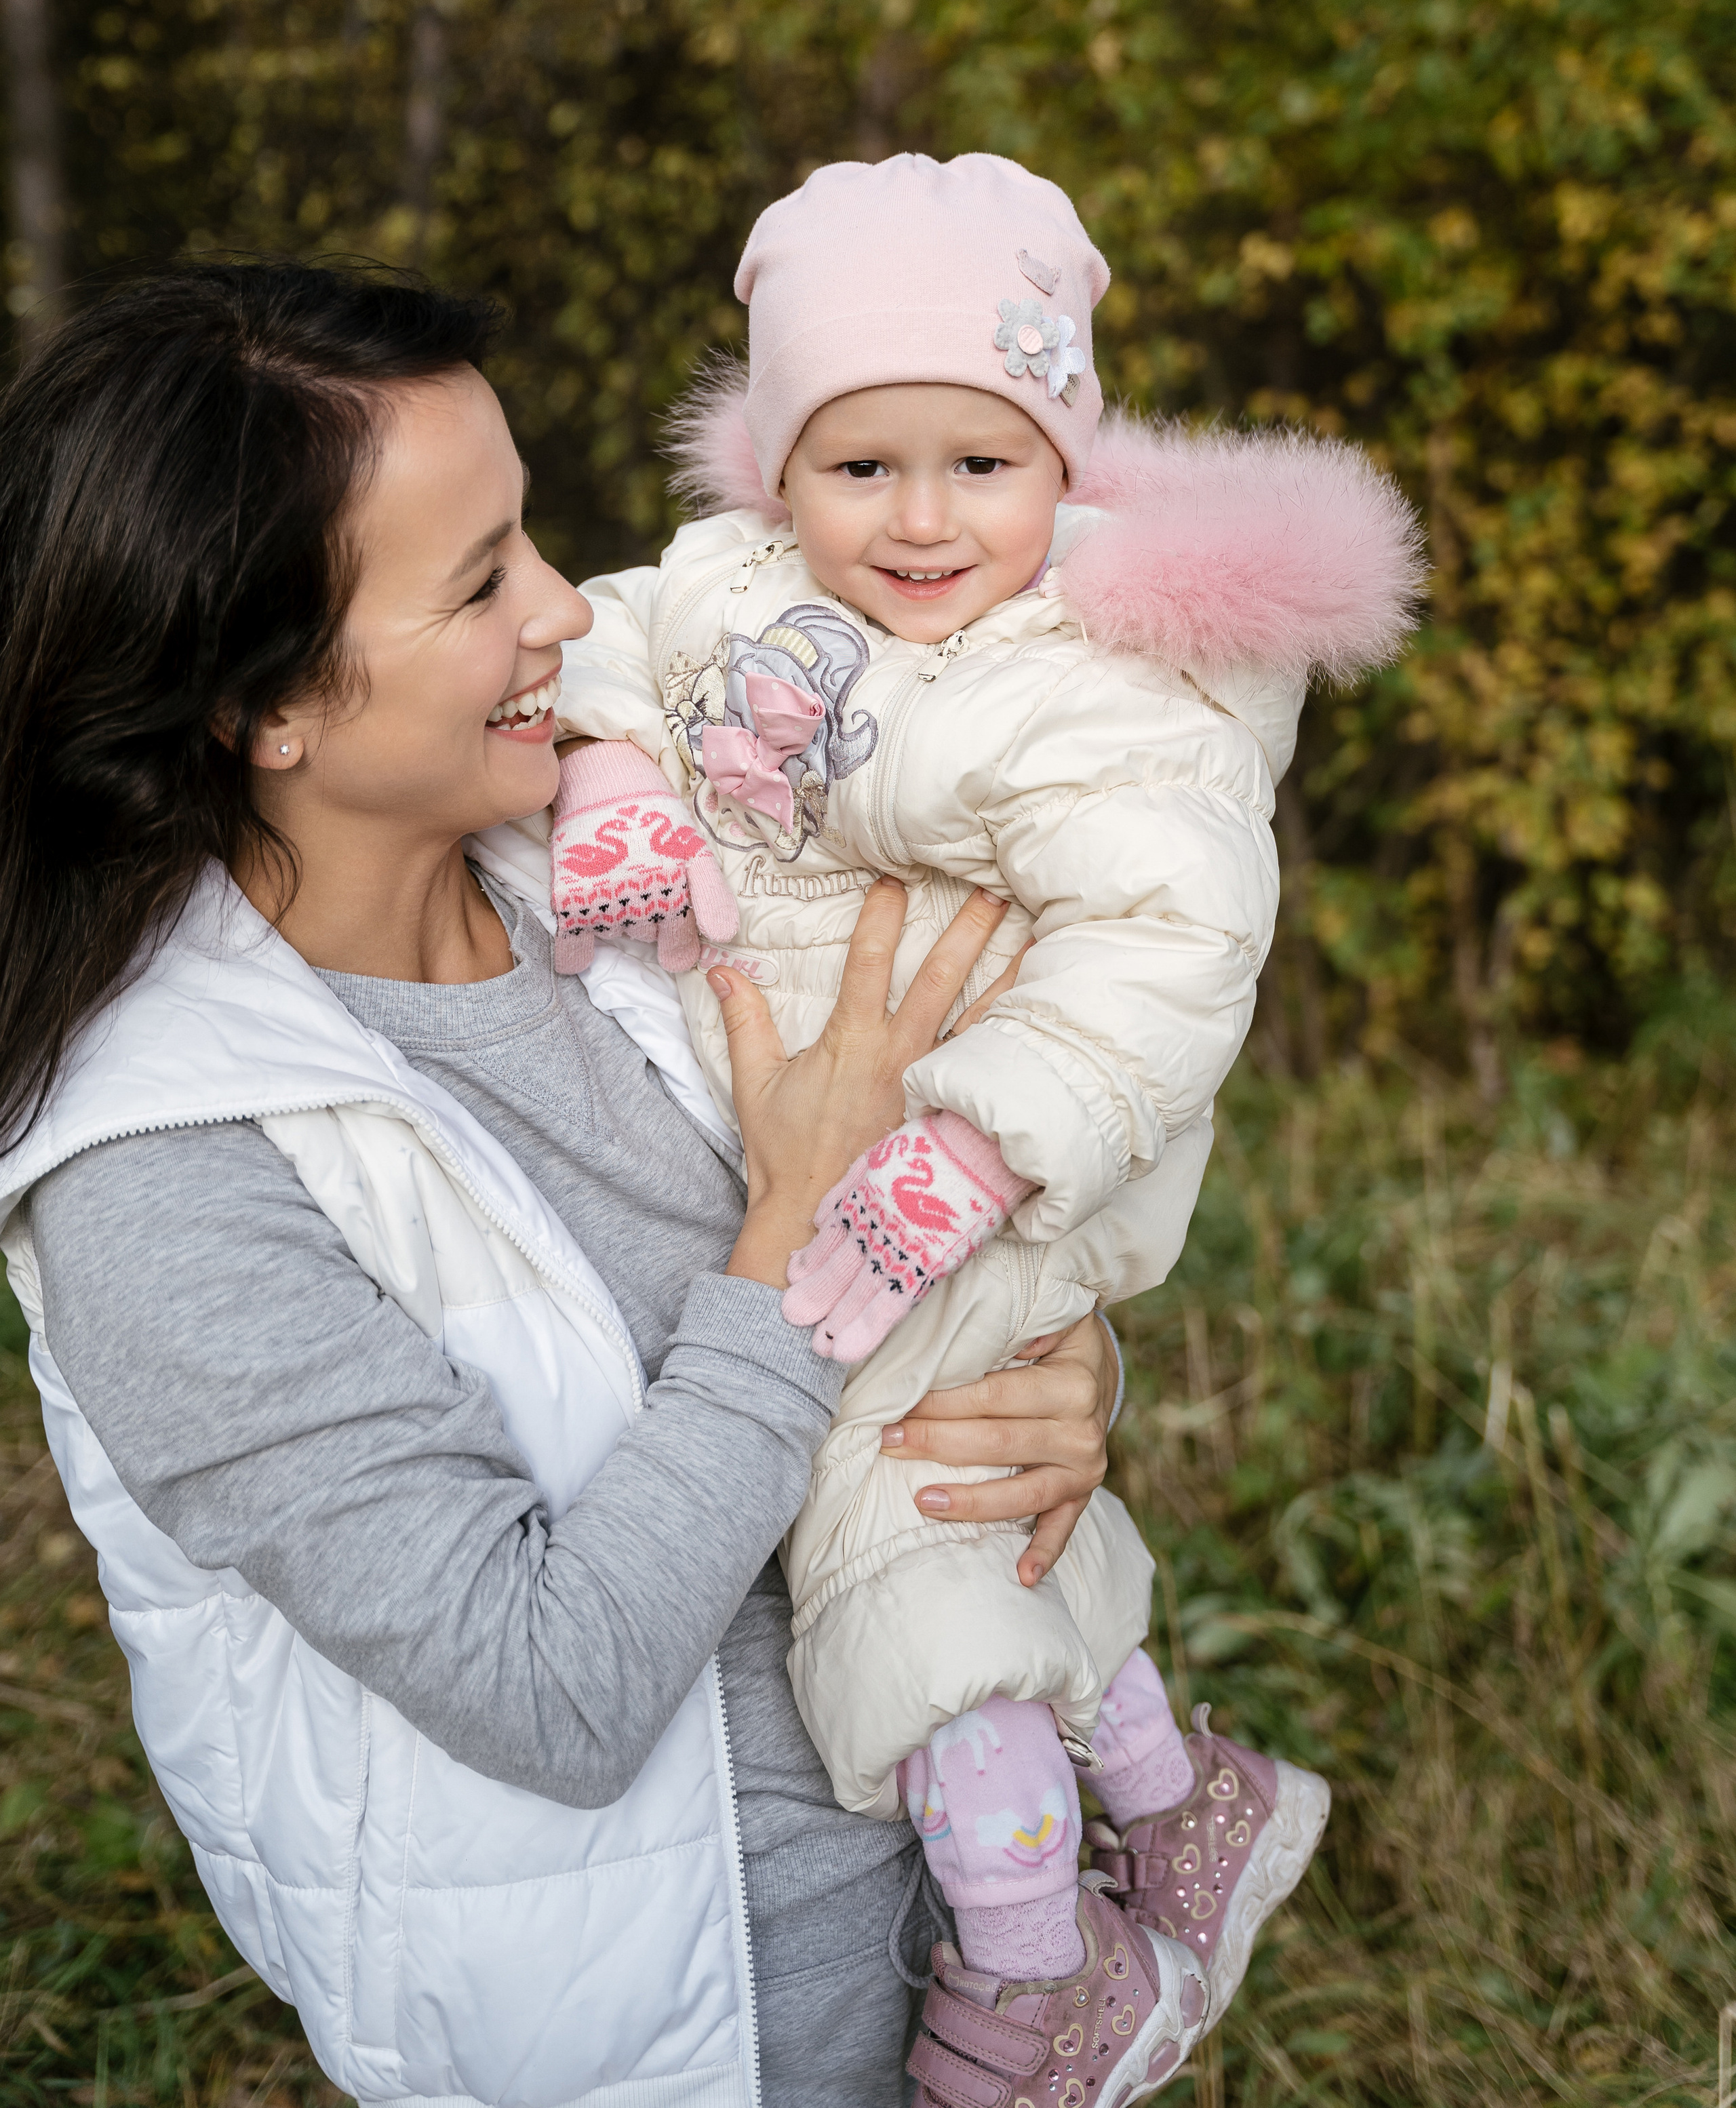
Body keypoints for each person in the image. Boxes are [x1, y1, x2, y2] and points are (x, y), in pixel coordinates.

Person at [0, 258, 1131, 2108]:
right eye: (477, 584)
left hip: (993, 1952)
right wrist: (802, 1245)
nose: (561, 608)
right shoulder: (167, 1178)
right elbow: (554, 1685)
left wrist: (1049, 1390)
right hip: (708, 2040)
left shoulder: (622, 870)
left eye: (531, 533)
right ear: (261, 705)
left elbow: (952, 1224)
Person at [546, 152, 1423, 2100]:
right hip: (837, 1152)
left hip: (994, 1161)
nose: (925, 519)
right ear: (780, 470)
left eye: (982, 462)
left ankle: (1044, 1975)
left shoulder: (1104, 690)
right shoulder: (730, 587)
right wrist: (616, 778)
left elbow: (1174, 943)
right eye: (863, 468)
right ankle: (1178, 1799)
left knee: (908, 1526)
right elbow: (596, 628)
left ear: (1066, 464)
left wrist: (980, 1147)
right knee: (945, 1493)